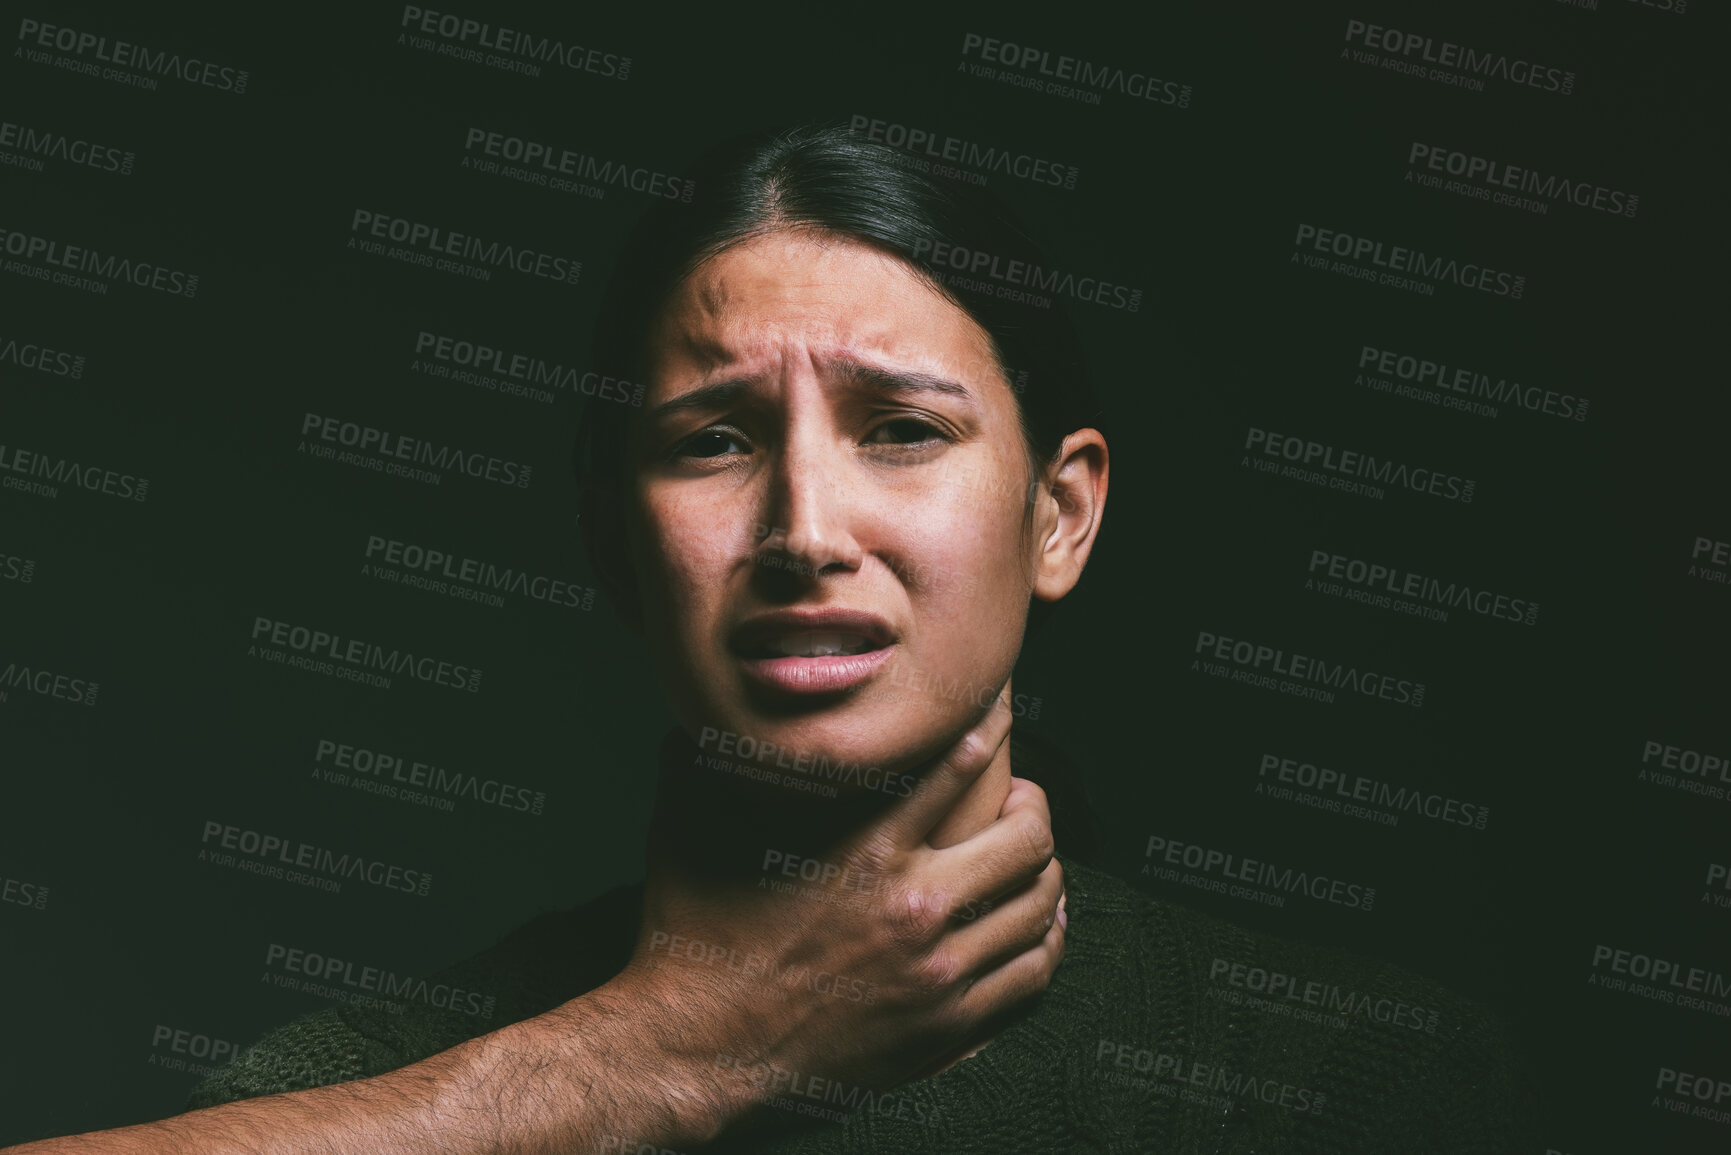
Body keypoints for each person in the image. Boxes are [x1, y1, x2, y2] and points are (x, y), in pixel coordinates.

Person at [6, 125, 1537, 1154]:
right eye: (716, 440)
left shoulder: (1377, 1085)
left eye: (902, 430)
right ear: (616, 537)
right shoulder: (370, 1090)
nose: (807, 525)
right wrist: (672, 1047)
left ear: (1060, 517)